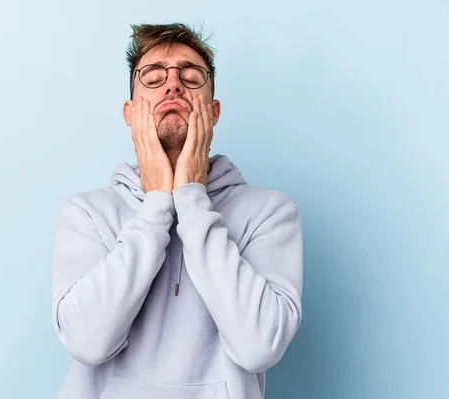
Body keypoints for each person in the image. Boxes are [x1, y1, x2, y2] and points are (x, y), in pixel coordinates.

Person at [51, 22, 303, 399]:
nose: (173, 85)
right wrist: (156, 207)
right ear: (130, 112)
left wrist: (191, 198)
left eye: (191, 75)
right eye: (153, 77)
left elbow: (258, 347)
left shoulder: (269, 213)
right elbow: (87, 342)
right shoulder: (87, 213)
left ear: (213, 111)